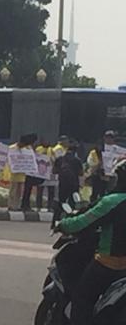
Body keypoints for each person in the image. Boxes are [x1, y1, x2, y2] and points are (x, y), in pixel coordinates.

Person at [57, 158, 126, 325]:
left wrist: (62, 225)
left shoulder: (114, 201)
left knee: (82, 298)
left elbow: (83, 222)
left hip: (111, 263)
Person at [52, 140, 84, 226]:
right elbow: (81, 173)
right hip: (74, 184)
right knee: (72, 204)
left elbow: (54, 171)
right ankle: (70, 222)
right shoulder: (77, 160)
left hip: (63, 184)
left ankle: (55, 222)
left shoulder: (60, 159)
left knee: (61, 202)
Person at [7, 134, 36, 211]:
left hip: (22, 174)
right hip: (14, 173)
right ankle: (11, 206)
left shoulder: (28, 149)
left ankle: (17, 206)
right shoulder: (12, 148)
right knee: (13, 191)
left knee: (19, 192)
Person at [87, 130, 117, 202]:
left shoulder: (116, 151)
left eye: (111, 138)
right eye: (107, 137)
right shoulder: (96, 151)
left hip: (111, 177)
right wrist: (100, 165)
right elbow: (91, 163)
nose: (109, 140)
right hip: (98, 175)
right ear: (104, 138)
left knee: (107, 196)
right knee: (95, 195)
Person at [20, 134, 40, 211]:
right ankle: (25, 205)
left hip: (31, 172)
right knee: (27, 190)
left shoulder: (31, 149)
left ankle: (26, 205)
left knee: (28, 190)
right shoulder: (27, 149)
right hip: (27, 173)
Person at [35, 139, 55, 210]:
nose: (46, 142)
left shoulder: (52, 150)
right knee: (39, 190)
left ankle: (50, 206)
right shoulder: (38, 149)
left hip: (50, 173)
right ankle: (38, 206)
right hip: (41, 173)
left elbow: (54, 160)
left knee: (51, 191)